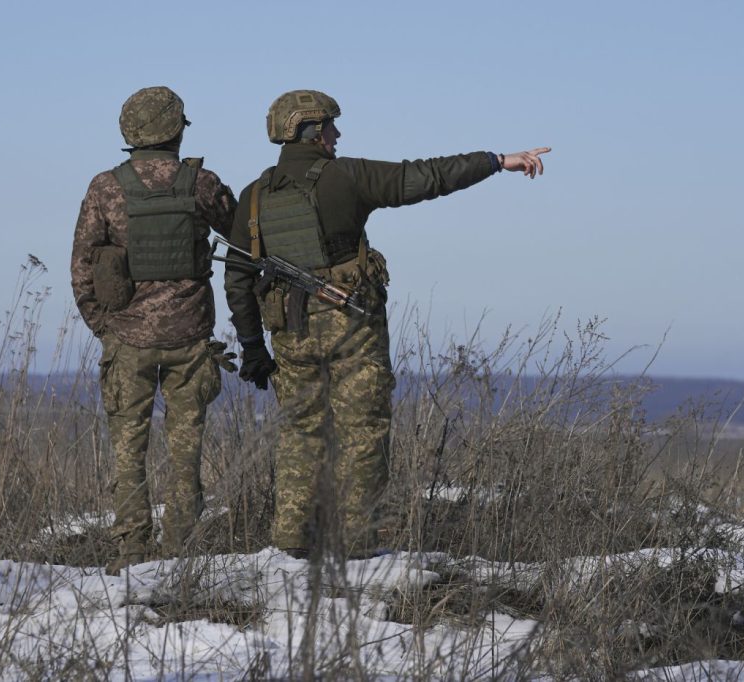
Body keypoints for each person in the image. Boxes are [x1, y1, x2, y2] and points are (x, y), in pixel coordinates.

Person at [224, 89, 550, 559]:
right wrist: (497, 160)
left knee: (299, 435)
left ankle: (287, 553)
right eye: (331, 126)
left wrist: (254, 347)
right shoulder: (346, 176)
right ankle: (356, 551)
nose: (338, 134)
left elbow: (237, 275)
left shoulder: (253, 199)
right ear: (312, 131)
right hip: (352, 330)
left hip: (289, 336)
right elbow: (427, 177)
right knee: (362, 434)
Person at [70, 86, 237, 572]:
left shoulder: (106, 186)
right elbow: (245, 236)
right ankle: (179, 550)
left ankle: (132, 553)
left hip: (127, 341)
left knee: (128, 451)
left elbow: (81, 266)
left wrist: (104, 327)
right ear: (176, 129)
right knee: (186, 451)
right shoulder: (200, 183)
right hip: (189, 341)